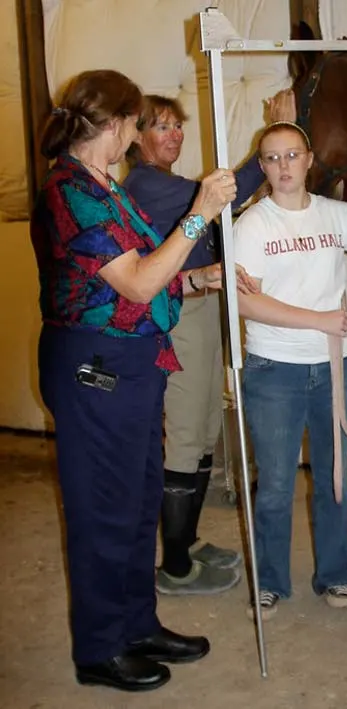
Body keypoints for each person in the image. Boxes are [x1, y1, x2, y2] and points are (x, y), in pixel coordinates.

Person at [30, 69, 237, 692]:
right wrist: (200, 213)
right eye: (136, 123)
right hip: (97, 368)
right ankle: (99, 648)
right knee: (104, 512)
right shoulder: (71, 191)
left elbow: (148, 270)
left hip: (135, 364)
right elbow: (139, 282)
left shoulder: (104, 183)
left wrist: (201, 279)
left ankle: (136, 625)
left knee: (140, 502)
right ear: (118, 124)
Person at [122, 90, 296, 595]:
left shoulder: (172, 184)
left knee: (199, 432)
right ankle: (174, 565)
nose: (173, 134)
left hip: (199, 311)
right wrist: (273, 140)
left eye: (177, 126)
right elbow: (233, 189)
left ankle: (188, 541)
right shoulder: (149, 185)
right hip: (178, 316)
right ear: (137, 138)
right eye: (161, 127)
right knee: (184, 433)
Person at [233, 121, 347, 619]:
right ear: (262, 166)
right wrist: (320, 320)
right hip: (275, 372)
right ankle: (270, 582)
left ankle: (336, 576)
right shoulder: (254, 225)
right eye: (272, 158)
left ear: (309, 160)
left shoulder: (337, 215)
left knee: (335, 479)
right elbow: (248, 304)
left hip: (334, 367)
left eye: (292, 155)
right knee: (277, 485)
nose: (283, 166)